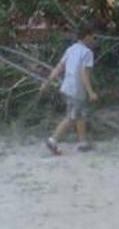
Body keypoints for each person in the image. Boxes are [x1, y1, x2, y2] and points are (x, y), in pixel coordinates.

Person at [41, 24, 99, 155]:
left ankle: (82, 143)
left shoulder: (71, 49)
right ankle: (53, 140)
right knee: (71, 117)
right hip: (77, 89)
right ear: (87, 36)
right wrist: (90, 92)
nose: (93, 39)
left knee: (79, 115)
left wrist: (47, 82)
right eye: (92, 36)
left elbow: (59, 67)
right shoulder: (87, 53)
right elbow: (84, 73)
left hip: (68, 87)